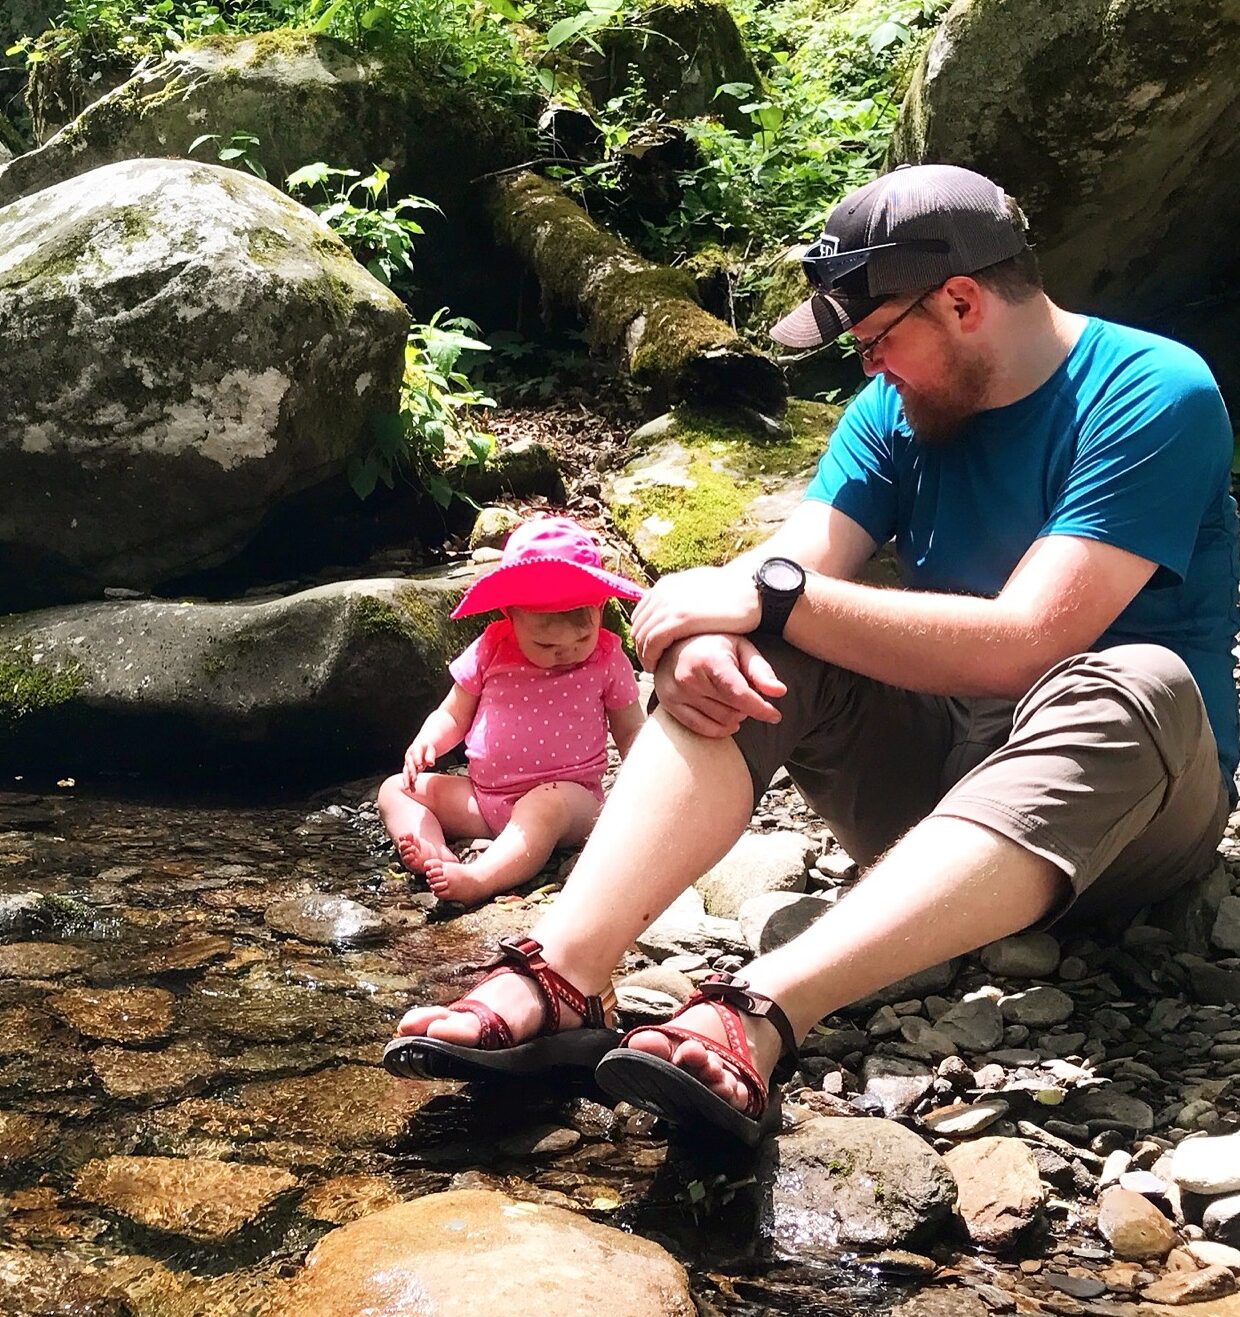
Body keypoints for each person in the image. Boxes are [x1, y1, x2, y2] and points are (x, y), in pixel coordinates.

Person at [384, 163, 1239, 1146]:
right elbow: (782, 571)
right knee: (762, 639)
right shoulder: (894, 415)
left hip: (1130, 814)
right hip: (937, 800)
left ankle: (763, 1008)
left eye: (874, 341)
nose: (868, 371)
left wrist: (768, 599)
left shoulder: (1152, 393)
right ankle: (564, 973)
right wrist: (706, 636)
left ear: (961, 301)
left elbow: (1028, 641)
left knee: (1134, 675)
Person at [377, 515, 646, 906]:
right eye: (545, 645)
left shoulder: (606, 657)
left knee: (543, 805)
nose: (566, 653)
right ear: (510, 615)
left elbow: (631, 730)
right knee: (396, 790)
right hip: (486, 799)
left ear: (601, 607)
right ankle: (432, 849)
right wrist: (427, 741)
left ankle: (480, 878)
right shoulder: (492, 646)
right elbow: (453, 714)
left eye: (582, 637)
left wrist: (640, 787)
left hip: (569, 800)